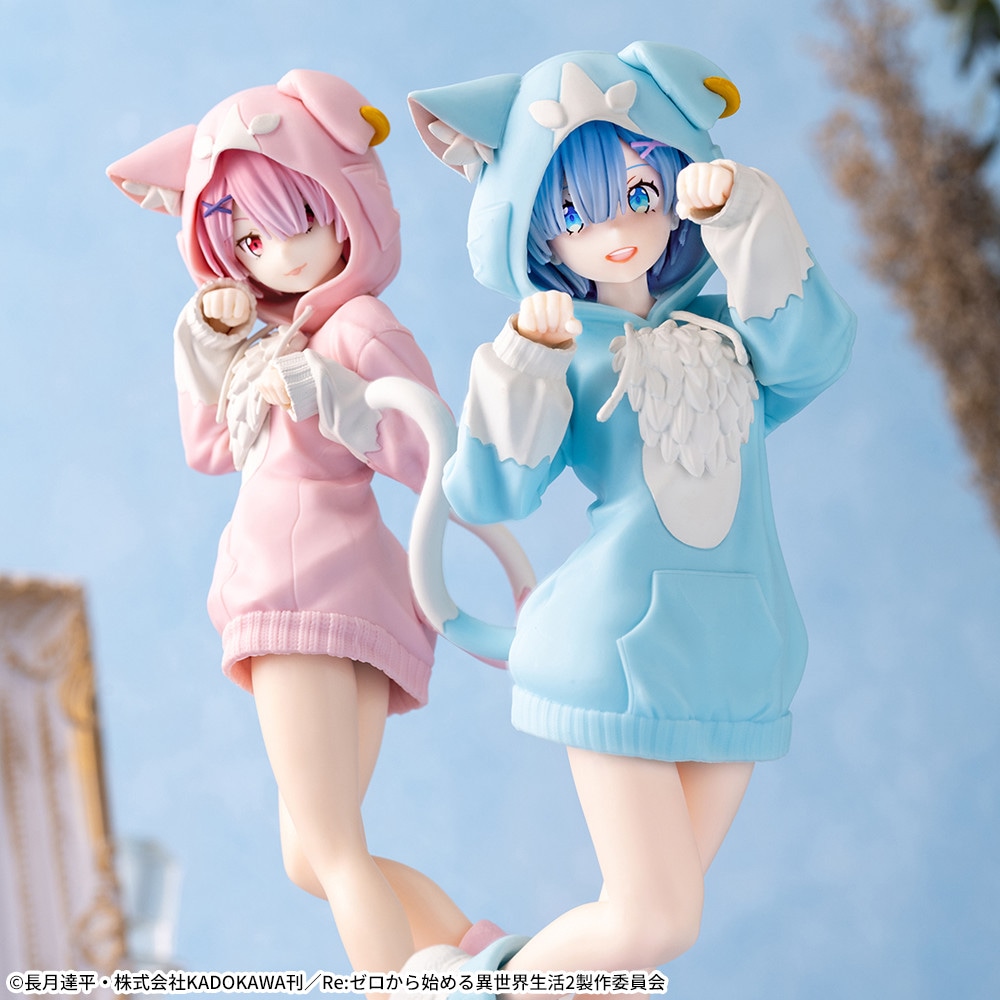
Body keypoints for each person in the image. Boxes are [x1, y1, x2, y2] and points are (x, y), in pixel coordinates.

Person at [407, 42, 856, 983]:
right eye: (575, 213)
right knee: (654, 924)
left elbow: (812, 354)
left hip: (743, 652)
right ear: (540, 232)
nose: (615, 231)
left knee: (637, 948)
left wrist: (745, 217)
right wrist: (525, 367)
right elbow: (490, 494)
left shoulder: (727, 331)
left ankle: (485, 972)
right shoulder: (563, 349)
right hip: (618, 649)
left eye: (640, 194)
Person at [108, 70, 491, 987]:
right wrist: (208, 341)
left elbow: (431, 451)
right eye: (247, 238)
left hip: (305, 585)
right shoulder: (269, 341)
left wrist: (340, 398)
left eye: (297, 220)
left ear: (346, 207)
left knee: (332, 847)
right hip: (321, 585)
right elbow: (209, 447)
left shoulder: (356, 326)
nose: (277, 256)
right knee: (311, 858)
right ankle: (488, 963)